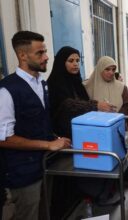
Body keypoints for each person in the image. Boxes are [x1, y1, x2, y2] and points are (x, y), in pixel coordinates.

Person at [0, 31, 71, 220]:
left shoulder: (42, 84)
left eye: (45, 51)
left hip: (45, 166)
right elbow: (4, 138)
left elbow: (37, 122)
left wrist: (54, 138)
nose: (46, 57)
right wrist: (47, 145)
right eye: (40, 53)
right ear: (23, 55)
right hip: (23, 174)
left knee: (45, 213)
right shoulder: (7, 90)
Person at [47, 46, 114, 138]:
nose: (75, 64)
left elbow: (83, 102)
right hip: (62, 137)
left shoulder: (77, 82)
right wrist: (95, 105)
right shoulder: (54, 83)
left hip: (80, 131)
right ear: (61, 63)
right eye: (71, 61)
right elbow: (66, 105)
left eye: (77, 61)